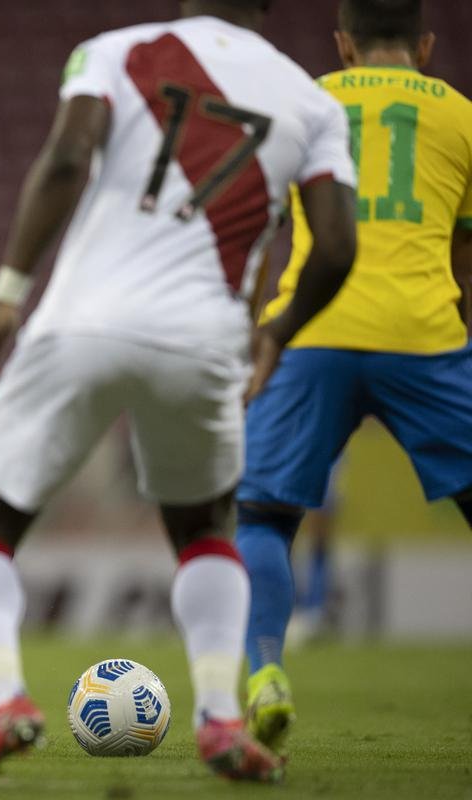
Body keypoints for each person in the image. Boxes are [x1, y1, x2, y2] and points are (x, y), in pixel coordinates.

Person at [0, 0, 359, 789]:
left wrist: (9, 294)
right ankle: (220, 717)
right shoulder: (312, 101)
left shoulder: (116, 52)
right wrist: (278, 332)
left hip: (82, 322)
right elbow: (335, 245)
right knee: (204, 529)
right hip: (206, 340)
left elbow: (66, 159)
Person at [238, 0, 472, 757]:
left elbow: (259, 229)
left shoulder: (303, 101)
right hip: (425, 334)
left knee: (262, 516)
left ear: (343, 44)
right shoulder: (463, 118)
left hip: (312, 331)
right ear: (425, 47)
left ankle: (265, 671)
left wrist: (251, 332)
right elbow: (466, 254)